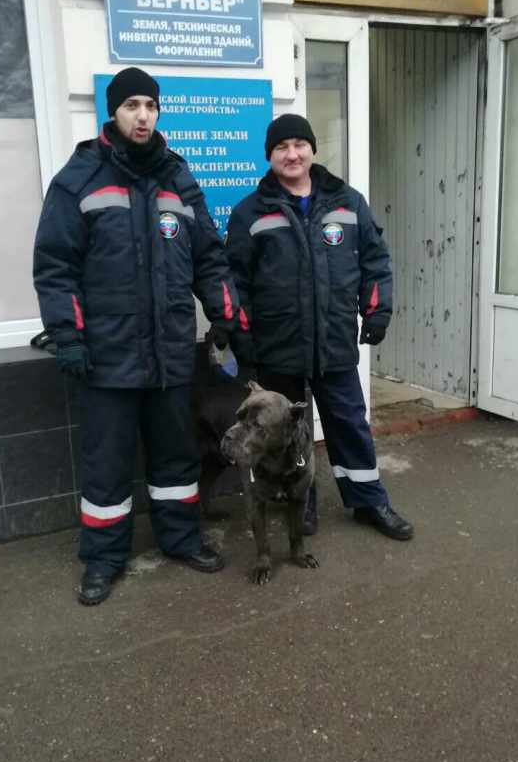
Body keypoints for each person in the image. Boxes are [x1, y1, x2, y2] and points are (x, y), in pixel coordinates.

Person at [33, 67, 239, 605]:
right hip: (107, 356)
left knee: (175, 456)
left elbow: (208, 255)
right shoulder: (79, 178)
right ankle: (103, 559)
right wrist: (69, 335)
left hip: (170, 351)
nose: (142, 115)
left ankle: (180, 539)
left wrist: (222, 313)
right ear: (114, 112)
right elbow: (56, 265)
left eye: (150, 105)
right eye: (132, 106)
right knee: (107, 464)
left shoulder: (179, 178)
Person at [224, 114, 413, 541]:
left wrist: (377, 311)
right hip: (277, 345)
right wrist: (243, 336)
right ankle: (299, 504)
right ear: (269, 156)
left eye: (298, 144)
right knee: (283, 433)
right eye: (280, 148)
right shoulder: (249, 212)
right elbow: (235, 281)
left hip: (334, 341)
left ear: (311, 149)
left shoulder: (348, 203)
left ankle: (368, 501)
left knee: (349, 421)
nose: (291, 154)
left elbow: (375, 262)